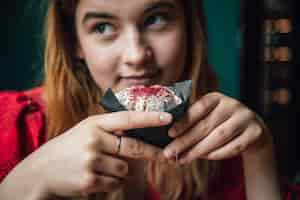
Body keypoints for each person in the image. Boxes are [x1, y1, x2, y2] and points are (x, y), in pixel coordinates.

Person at [0, 0, 299, 199]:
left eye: (156, 19)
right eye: (103, 27)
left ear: (189, 26)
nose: (136, 56)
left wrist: (259, 157)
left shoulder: (225, 146)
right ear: (75, 41)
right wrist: (26, 183)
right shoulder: (11, 127)